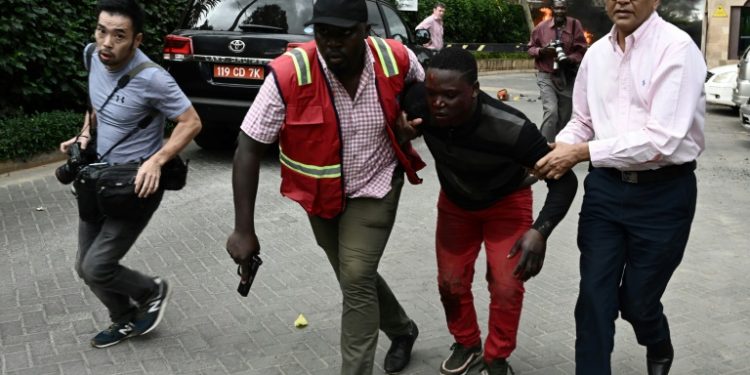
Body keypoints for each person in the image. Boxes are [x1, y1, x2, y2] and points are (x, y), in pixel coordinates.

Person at [224, 0, 426, 373]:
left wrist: (415, 116)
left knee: (355, 277)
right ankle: (402, 329)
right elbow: (248, 148)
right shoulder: (290, 73)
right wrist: (243, 228)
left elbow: (423, 84)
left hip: (377, 184)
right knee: (354, 276)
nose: (330, 43)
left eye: (343, 34)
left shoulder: (394, 57)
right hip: (319, 196)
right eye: (322, 33)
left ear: (365, 32)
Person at [534, 0, 706, 374]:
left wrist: (582, 153)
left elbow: (662, 140)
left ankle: (657, 340)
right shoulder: (596, 56)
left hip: (664, 194)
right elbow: (582, 120)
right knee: (594, 300)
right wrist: (559, 149)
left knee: (638, 302)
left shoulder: (676, 49)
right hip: (606, 192)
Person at [398, 47, 578, 375]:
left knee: (507, 286)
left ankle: (497, 357)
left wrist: (541, 230)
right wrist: (402, 130)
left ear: (476, 91)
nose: (438, 103)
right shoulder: (419, 103)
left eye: (450, 95)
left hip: (507, 205)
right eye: (433, 93)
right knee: (450, 283)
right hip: (456, 205)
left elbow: (564, 183)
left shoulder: (514, 128)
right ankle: (466, 343)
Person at [58, 0, 201, 348]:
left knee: (97, 267)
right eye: (101, 30)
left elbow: (192, 122)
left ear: (136, 40)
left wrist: (158, 160)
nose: (107, 42)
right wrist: (85, 133)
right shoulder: (93, 55)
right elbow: (96, 103)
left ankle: (152, 290)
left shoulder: (154, 79)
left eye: (118, 35)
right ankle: (123, 319)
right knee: (85, 267)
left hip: (135, 185)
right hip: (96, 180)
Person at [527, 0, 586, 143]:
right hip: (546, 75)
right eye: (557, 8)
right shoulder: (542, 27)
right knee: (551, 112)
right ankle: (543, 149)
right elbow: (530, 48)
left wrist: (569, 59)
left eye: (563, 8)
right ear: (552, 9)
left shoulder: (574, 25)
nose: (560, 11)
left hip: (566, 77)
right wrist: (542, 51)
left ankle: (557, 147)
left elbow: (581, 49)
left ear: (567, 9)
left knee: (564, 116)